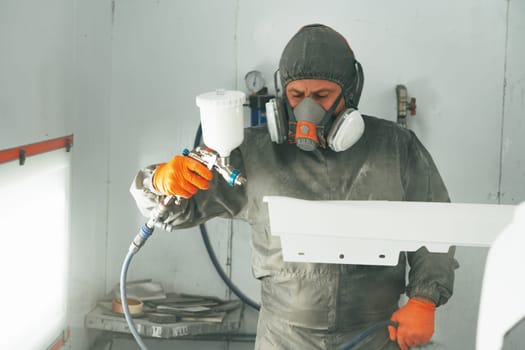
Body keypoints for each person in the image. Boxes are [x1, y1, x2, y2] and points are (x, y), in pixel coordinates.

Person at [130, 24, 458, 350]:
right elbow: (175, 211)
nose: (307, 109)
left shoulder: (395, 147)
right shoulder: (255, 153)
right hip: (284, 338)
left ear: (350, 93)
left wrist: (424, 299)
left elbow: (435, 223)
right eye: (297, 95)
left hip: (375, 334)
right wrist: (159, 181)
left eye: (321, 96)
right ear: (282, 94)